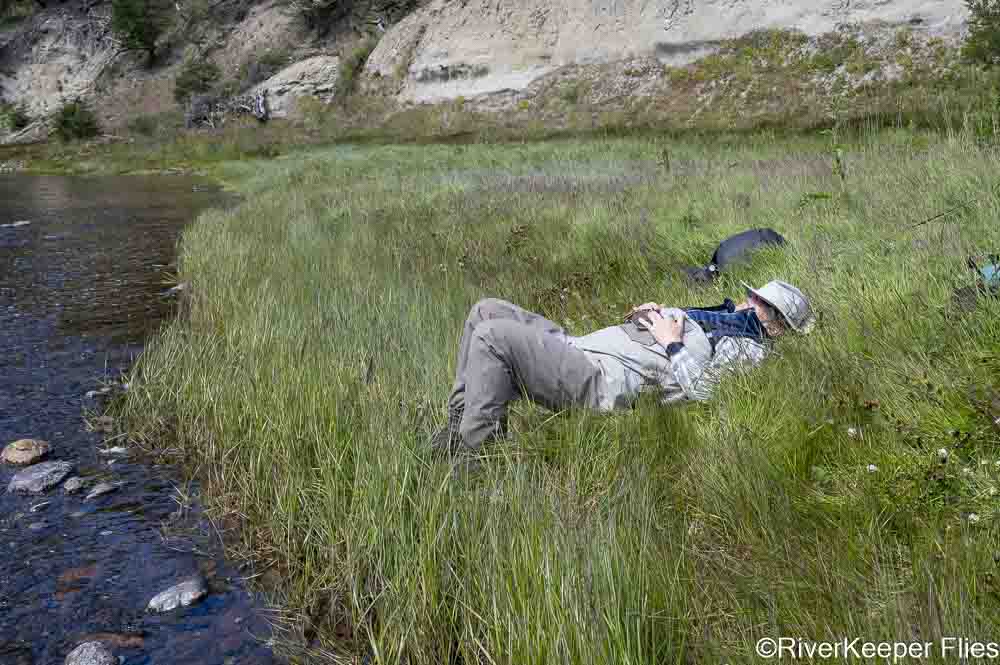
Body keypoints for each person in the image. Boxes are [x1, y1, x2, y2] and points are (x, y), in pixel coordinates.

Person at [431, 280, 814, 457]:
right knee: (485, 310)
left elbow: (704, 387)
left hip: (598, 377)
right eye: (752, 294)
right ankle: (456, 430)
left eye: (760, 302)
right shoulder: (726, 318)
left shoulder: (749, 350)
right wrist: (650, 314)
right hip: (584, 347)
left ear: (776, 325)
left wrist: (671, 340)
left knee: (492, 338)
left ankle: (473, 457)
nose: (749, 301)